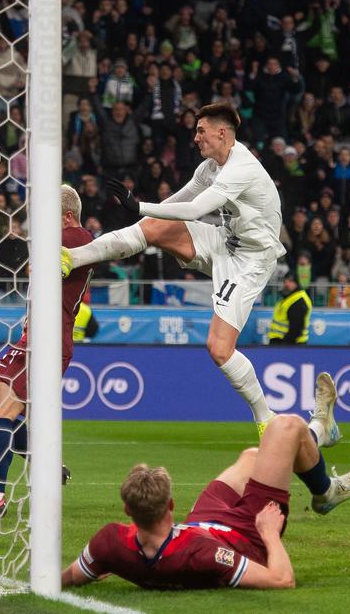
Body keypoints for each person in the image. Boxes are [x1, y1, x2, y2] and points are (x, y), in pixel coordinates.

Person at [61, 103, 286, 436]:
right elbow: (176, 204)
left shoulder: (242, 168)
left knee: (219, 348)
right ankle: (72, 257)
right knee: (153, 227)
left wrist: (140, 205)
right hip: (224, 240)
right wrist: (142, 216)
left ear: (221, 132)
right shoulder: (209, 167)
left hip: (252, 260)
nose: (195, 138)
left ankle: (265, 418)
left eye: (201, 131)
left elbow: (195, 210)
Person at [62, 379, 350, 590]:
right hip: (247, 533)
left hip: (203, 523)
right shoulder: (201, 554)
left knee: (254, 457)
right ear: (171, 504)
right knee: (285, 427)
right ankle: (324, 477)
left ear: (127, 510)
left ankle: (319, 441)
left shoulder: (110, 544)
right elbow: (282, 580)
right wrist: (268, 533)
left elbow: (71, 576)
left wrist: (98, 566)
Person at [0, 185, 93, 519]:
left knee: (2, 412)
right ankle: (46, 464)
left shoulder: (77, 237)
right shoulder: (61, 240)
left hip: (47, 340)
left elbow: (36, 269)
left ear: (67, 216)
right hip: (33, 337)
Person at [268, 272, 312, 345]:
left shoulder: (298, 301)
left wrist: (284, 346)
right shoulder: (288, 297)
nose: (286, 284)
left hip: (290, 345)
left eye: (290, 281)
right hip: (281, 344)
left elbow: (296, 329)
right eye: (285, 281)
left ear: (297, 283)